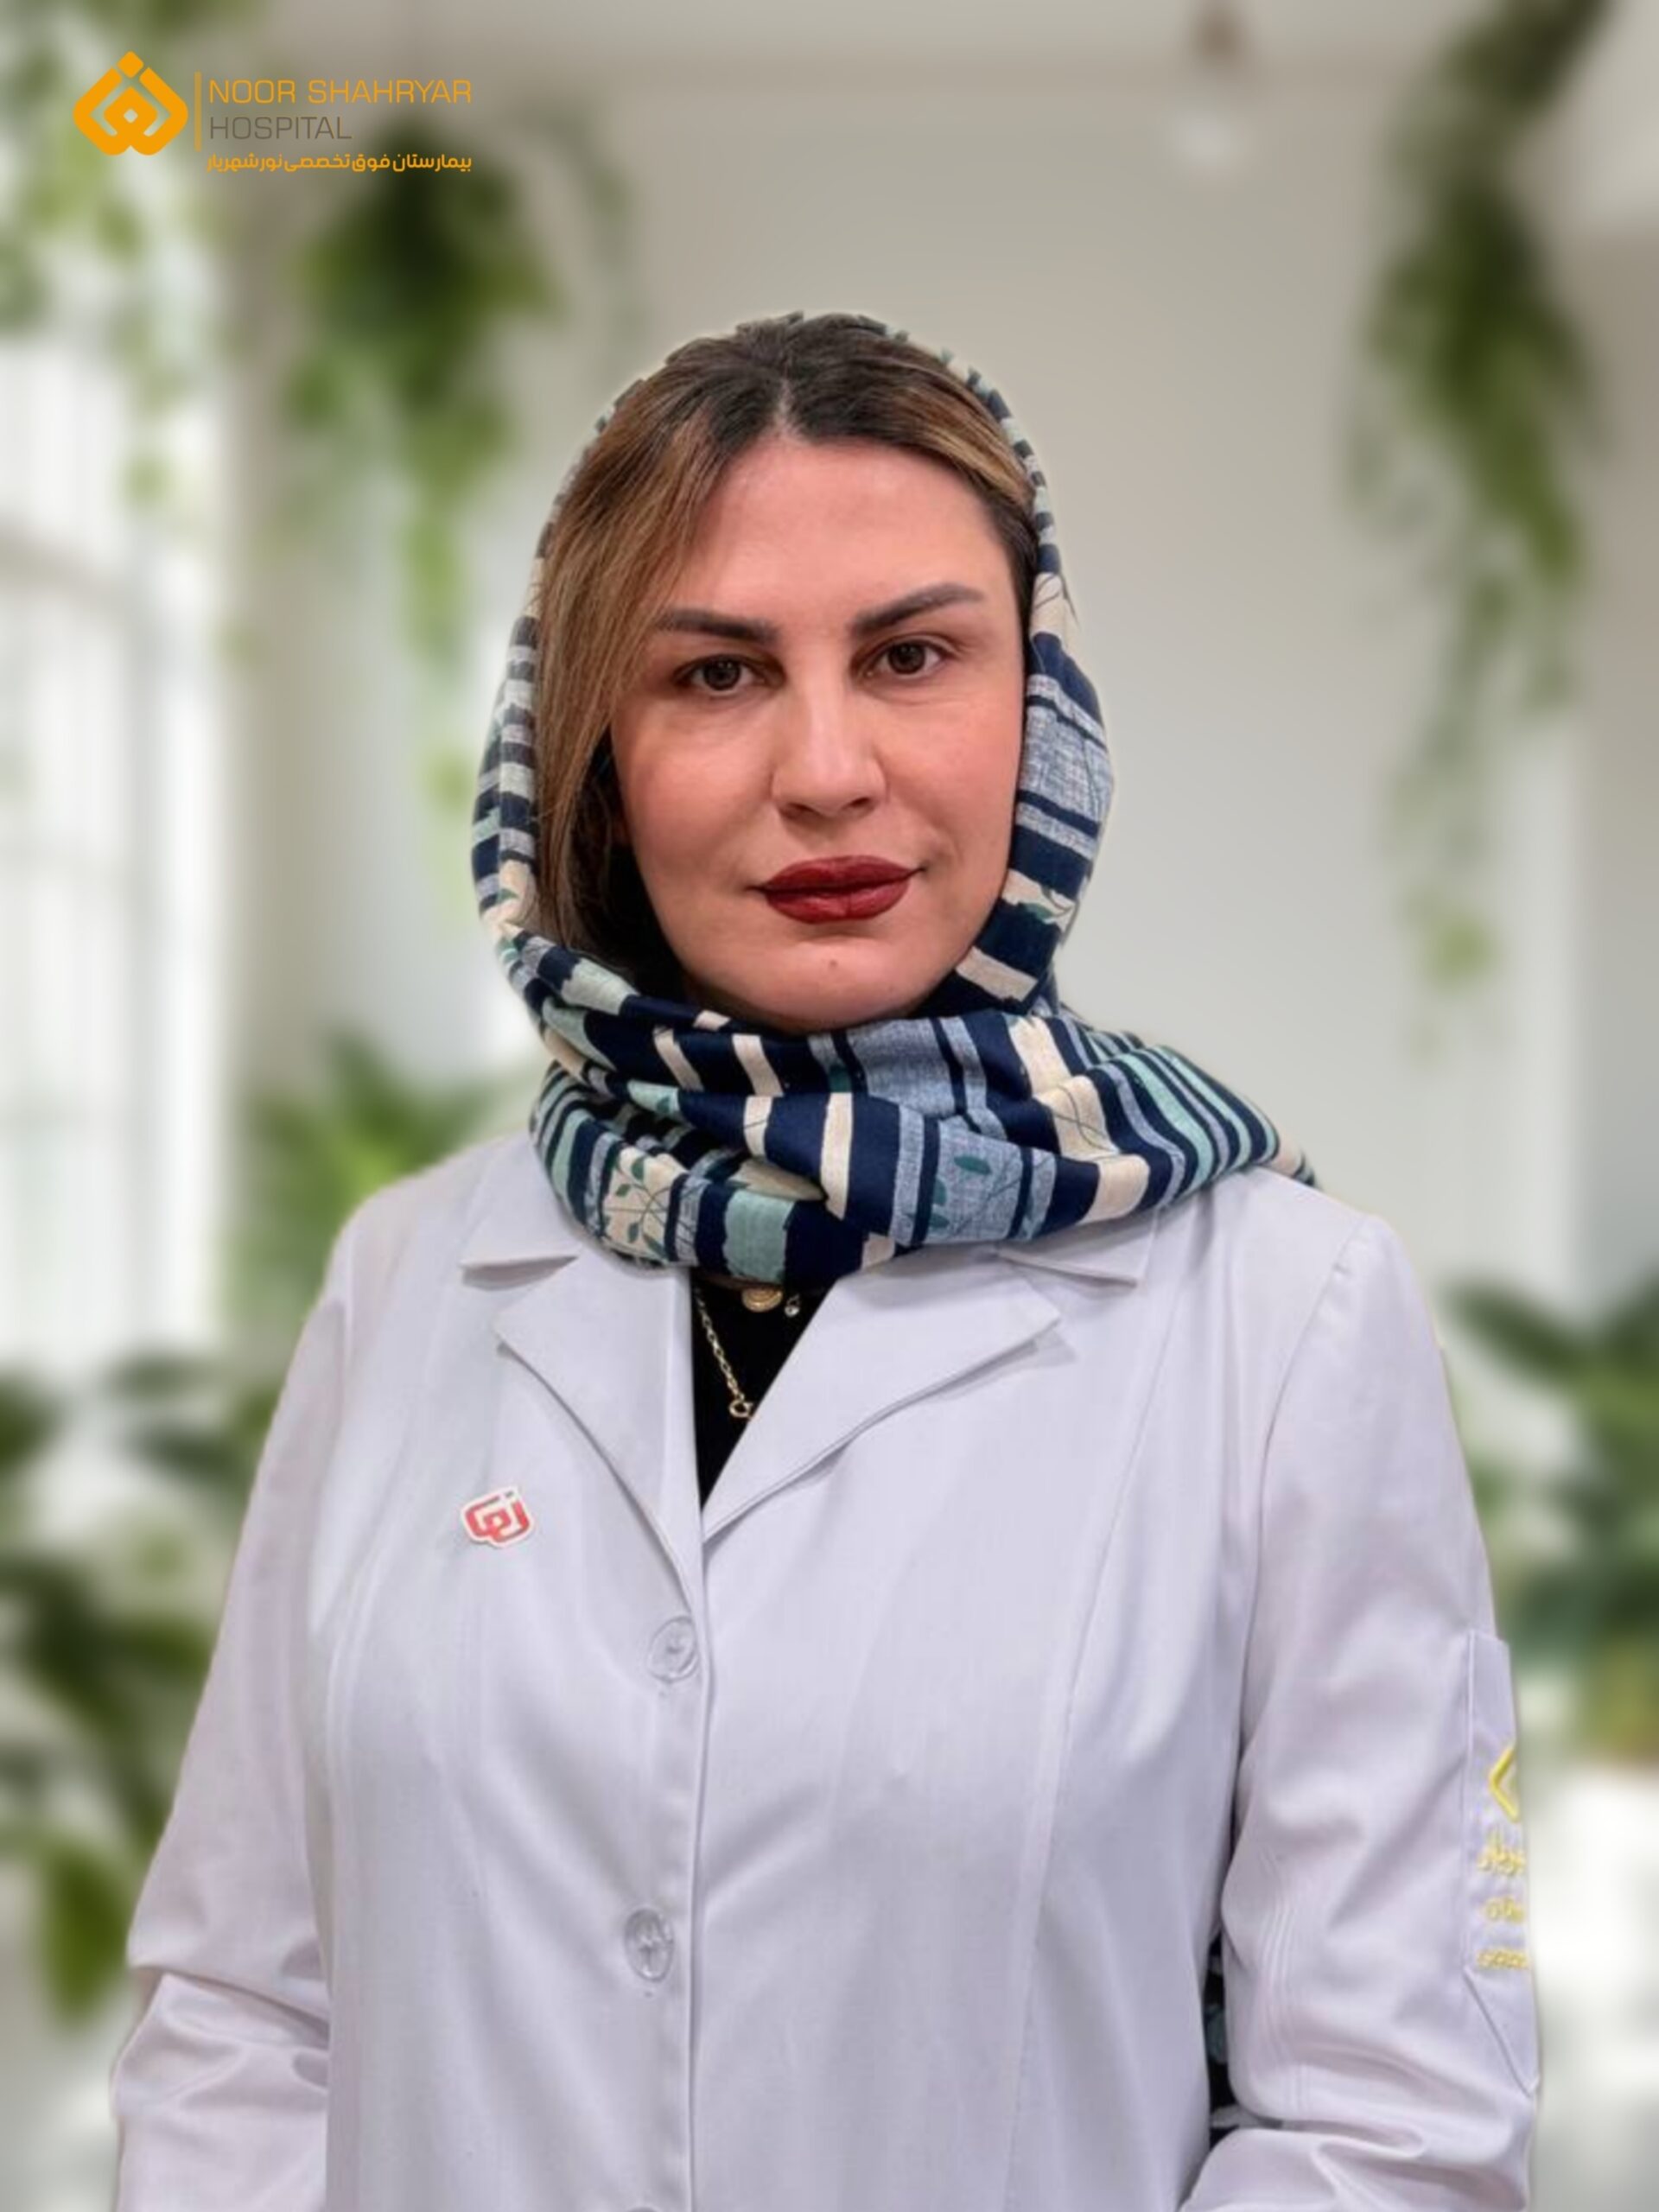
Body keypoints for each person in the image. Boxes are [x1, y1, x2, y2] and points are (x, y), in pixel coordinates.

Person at [109, 310, 1541, 2209]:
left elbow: (1390, 2122)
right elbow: (242, 2010)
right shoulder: (411, 1279)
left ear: (1040, 704)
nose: (828, 768)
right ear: (590, 752)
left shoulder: (1288, 1315)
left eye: (911, 656)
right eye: (714, 673)